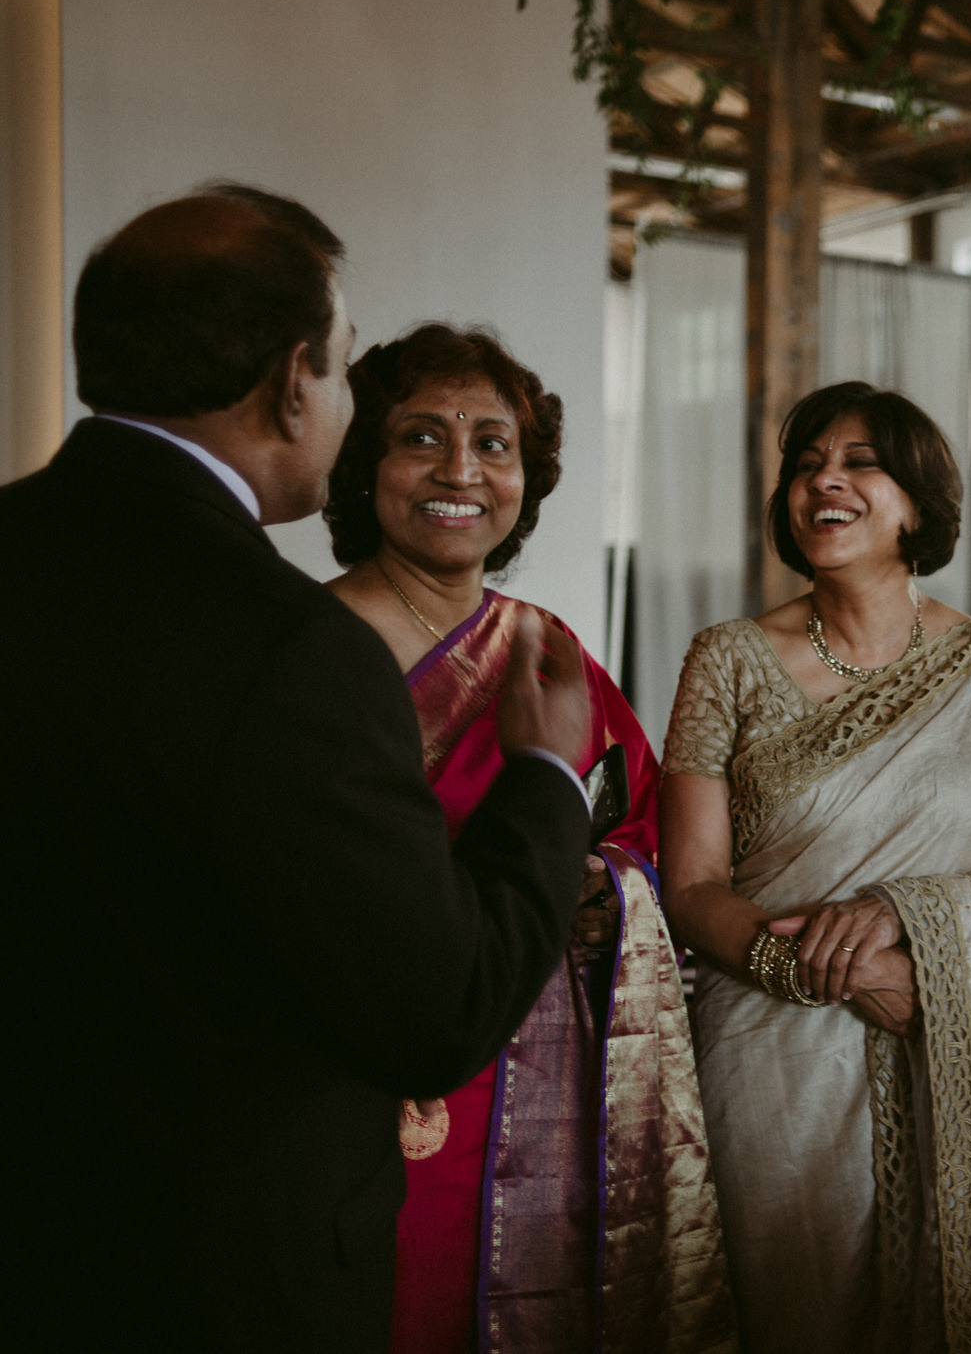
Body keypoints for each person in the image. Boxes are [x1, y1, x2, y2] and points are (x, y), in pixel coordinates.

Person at [0, 184, 593, 1351]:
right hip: (209, 1265)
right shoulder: (292, 646)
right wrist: (546, 779)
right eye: (342, 372)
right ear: (291, 384)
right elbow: (435, 1008)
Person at [659, 380, 971, 1352]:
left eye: (858, 461)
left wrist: (910, 924)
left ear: (918, 500)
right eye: (805, 464)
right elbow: (691, 885)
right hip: (770, 1056)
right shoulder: (728, 658)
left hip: (947, 1034)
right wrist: (817, 967)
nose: (824, 479)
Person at [320, 323, 734, 1353]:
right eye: (421, 436)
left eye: (492, 443)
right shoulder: (298, 647)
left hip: (537, 1084)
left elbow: (641, 841)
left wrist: (600, 886)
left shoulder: (548, 655)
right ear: (361, 459)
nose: (460, 469)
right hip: (347, 1073)